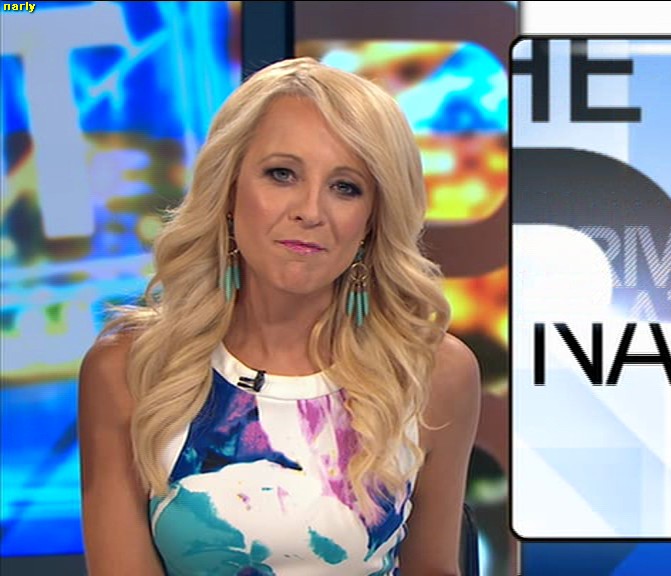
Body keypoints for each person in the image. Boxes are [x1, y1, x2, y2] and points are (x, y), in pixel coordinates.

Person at [78, 57, 481, 576]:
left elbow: (432, 568)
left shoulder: (433, 373)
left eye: (346, 187)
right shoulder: (130, 370)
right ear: (229, 189)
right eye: (282, 174)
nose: (310, 210)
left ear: (372, 219)